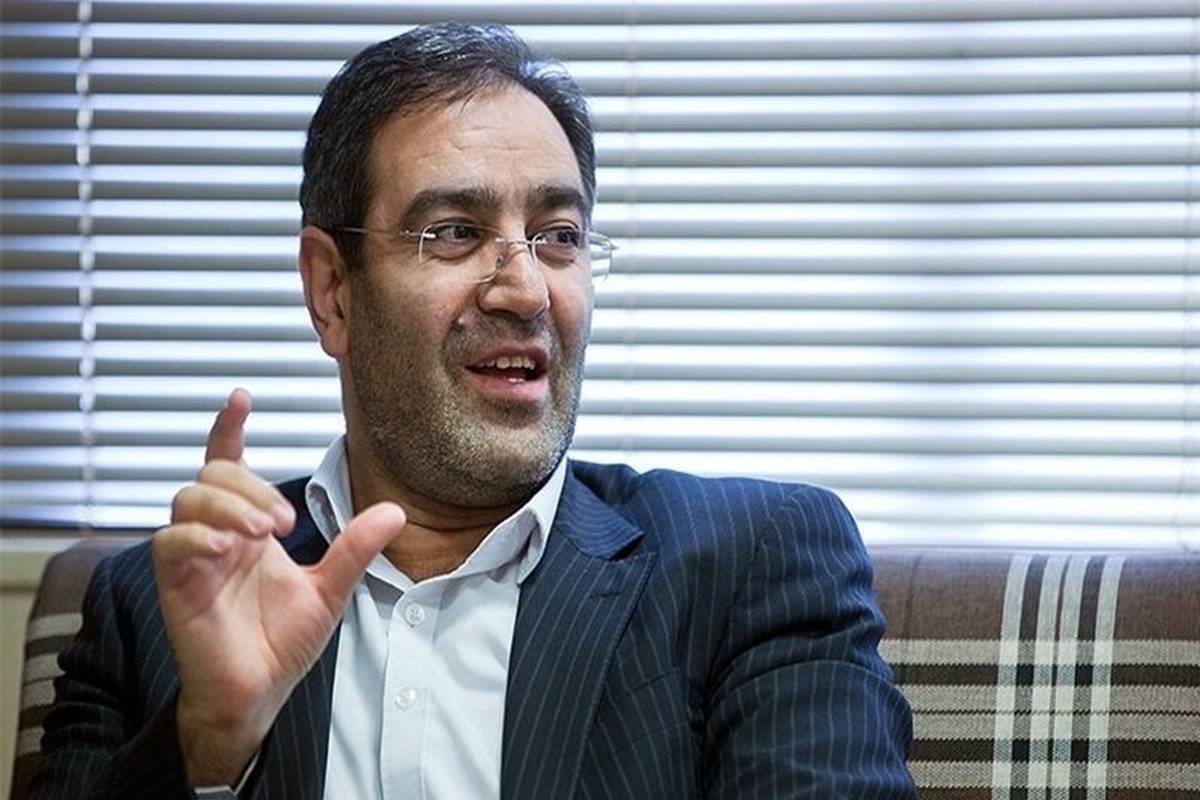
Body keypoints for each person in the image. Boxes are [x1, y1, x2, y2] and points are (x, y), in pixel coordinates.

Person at [30, 22, 915, 799]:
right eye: (454, 231)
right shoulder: (154, 608)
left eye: (559, 236)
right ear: (332, 291)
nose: (524, 290)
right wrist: (209, 745)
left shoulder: (752, 567)